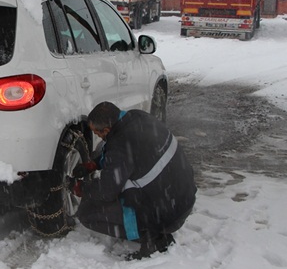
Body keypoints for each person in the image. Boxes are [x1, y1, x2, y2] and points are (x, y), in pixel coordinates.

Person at [72, 101, 196, 260]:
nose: (98, 136)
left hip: (169, 215)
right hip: (183, 198)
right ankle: (152, 227)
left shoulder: (120, 145)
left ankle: (153, 239)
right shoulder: (138, 117)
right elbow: (125, 154)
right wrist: (94, 164)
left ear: (107, 130)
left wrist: (83, 188)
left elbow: (107, 191)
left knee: (87, 213)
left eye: (97, 133)